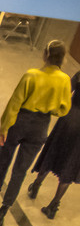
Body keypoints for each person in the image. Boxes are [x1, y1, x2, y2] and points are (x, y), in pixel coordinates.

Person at [0, 40, 74, 226]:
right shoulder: (64, 80)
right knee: (20, 170)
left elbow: (14, 103)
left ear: (46, 55)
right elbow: (64, 109)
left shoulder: (31, 75)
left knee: (3, 161)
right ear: (62, 58)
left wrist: (3, 128)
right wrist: (49, 109)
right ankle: (4, 209)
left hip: (20, 122)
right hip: (41, 126)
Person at [28, 70, 80, 218]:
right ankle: (53, 205)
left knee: (52, 152)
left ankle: (36, 185)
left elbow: (66, 91)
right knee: (70, 164)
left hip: (69, 119)